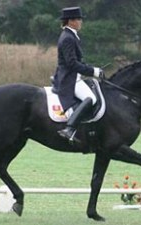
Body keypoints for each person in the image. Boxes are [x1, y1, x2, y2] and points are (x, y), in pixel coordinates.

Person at [52, 6, 104, 143]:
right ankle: (69, 129)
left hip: (74, 76)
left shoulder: (70, 36)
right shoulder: (68, 38)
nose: (81, 22)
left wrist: (93, 69)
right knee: (91, 98)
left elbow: (77, 62)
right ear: (70, 21)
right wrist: (93, 72)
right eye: (78, 19)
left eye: (80, 19)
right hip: (69, 78)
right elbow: (72, 64)